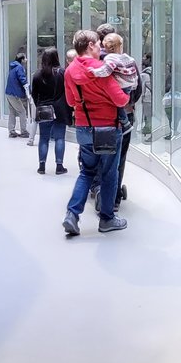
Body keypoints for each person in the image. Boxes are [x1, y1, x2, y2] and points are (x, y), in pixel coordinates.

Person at [61, 30, 128, 237]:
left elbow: (71, 102)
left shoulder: (70, 71)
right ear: (90, 45)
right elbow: (120, 100)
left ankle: (72, 215)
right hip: (107, 129)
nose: (101, 47)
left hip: (83, 128)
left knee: (87, 172)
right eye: (98, 43)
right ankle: (107, 219)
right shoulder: (102, 70)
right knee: (109, 173)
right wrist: (124, 92)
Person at [94, 24, 143, 209]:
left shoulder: (96, 62)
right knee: (119, 158)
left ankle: (98, 190)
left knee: (97, 155)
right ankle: (113, 198)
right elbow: (137, 88)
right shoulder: (127, 61)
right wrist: (127, 102)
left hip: (98, 117)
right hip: (124, 115)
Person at [31, 48, 69, 175]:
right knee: (59, 138)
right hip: (59, 109)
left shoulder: (37, 75)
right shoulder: (62, 73)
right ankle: (59, 166)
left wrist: (40, 106)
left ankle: (42, 166)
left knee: (43, 138)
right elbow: (67, 91)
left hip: (44, 109)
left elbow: (34, 94)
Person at [4, 50, 29, 137]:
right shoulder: (19, 68)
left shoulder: (13, 68)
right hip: (14, 94)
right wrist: (28, 90)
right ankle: (24, 131)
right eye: (25, 58)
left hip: (9, 93)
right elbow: (23, 79)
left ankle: (11, 131)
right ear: (22, 60)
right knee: (22, 111)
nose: (26, 60)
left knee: (12, 112)